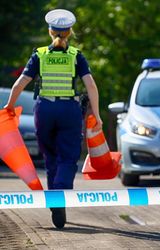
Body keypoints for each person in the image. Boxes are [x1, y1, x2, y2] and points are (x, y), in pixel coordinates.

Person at [4, 9, 103, 229]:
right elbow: (91, 85)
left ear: (50, 32)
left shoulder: (39, 55)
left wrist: (10, 105)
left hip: (44, 110)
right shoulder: (76, 56)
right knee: (68, 157)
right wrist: (96, 114)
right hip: (69, 109)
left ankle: (54, 198)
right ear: (70, 32)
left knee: (50, 157)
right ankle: (60, 194)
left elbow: (21, 83)